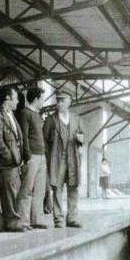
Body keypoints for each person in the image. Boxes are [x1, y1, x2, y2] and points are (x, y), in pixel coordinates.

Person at [43, 90, 84, 228]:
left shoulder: (76, 119)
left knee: (73, 188)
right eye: (58, 101)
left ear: (69, 102)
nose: (59, 103)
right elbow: (45, 142)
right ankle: (58, 219)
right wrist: (49, 160)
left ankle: (72, 218)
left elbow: (82, 135)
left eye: (63, 101)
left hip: (73, 159)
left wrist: (81, 139)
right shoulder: (50, 120)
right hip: (57, 160)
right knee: (57, 189)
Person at [0, 87, 25, 232]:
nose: (17, 101)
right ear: (7, 99)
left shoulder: (11, 115)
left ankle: (4, 223)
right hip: (7, 162)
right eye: (15, 98)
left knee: (10, 191)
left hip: (14, 161)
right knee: (9, 192)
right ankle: (12, 222)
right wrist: (9, 157)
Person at [18, 87, 49, 229]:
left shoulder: (37, 115)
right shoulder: (25, 113)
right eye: (42, 98)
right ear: (36, 99)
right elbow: (23, 136)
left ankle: (37, 220)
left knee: (40, 190)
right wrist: (27, 157)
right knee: (27, 190)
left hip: (41, 157)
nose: (43, 101)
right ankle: (24, 222)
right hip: (32, 158)